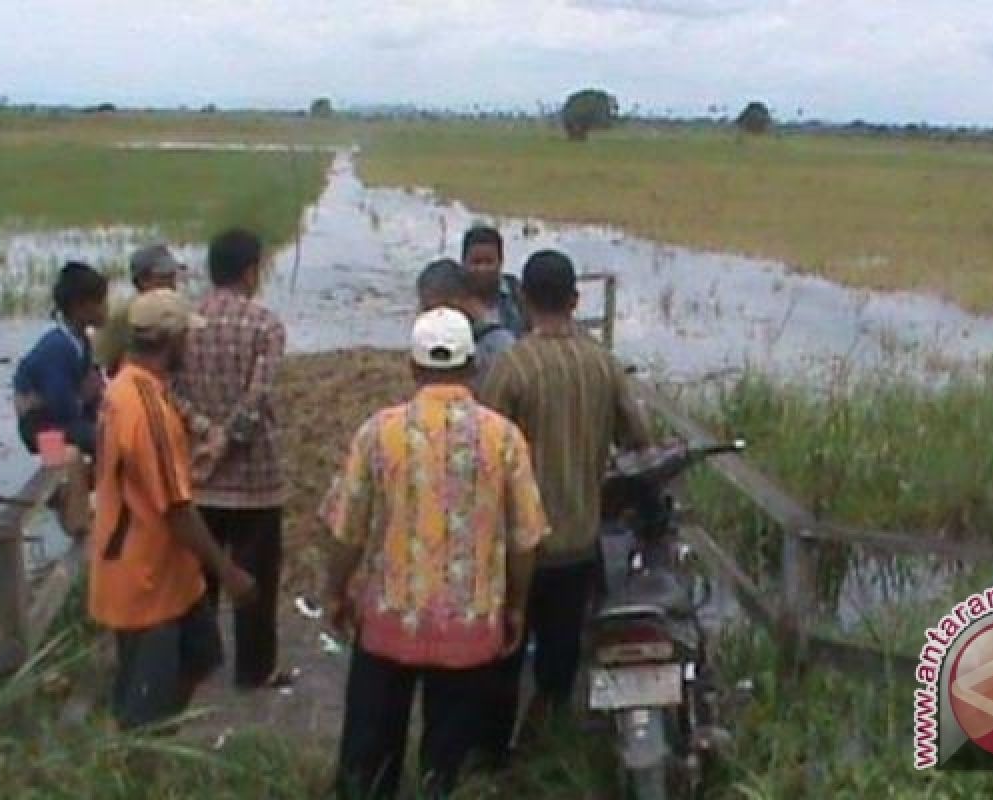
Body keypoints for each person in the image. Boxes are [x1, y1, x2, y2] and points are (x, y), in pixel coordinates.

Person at [323, 308, 549, 799]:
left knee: (368, 761)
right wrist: (514, 607)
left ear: (413, 367)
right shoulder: (504, 437)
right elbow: (526, 539)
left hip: (387, 625)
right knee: (448, 767)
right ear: (471, 367)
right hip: (470, 629)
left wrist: (335, 593)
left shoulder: (378, 432)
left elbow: (346, 530)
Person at [478, 249, 655, 760]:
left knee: (504, 656)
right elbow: (639, 441)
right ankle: (546, 747)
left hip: (518, 548)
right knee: (560, 659)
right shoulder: (603, 364)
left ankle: (492, 756)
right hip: (579, 542)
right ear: (576, 301)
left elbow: (485, 456)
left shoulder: (510, 368)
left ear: (525, 300)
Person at [88, 288, 256, 731]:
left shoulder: (127, 387)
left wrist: (185, 469)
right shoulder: (146, 407)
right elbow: (177, 510)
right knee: (145, 705)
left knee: (200, 658)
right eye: (188, 337)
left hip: (168, 574)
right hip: (146, 578)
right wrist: (228, 572)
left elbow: (150, 479)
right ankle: (139, 766)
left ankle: (160, 739)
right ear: (171, 339)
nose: (192, 347)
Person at [176, 228, 290, 690]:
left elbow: (174, 392)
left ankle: (196, 664)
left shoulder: (185, 322)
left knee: (197, 579)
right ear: (251, 271)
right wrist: (228, 437)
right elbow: (259, 396)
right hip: (254, 476)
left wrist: (206, 432)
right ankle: (254, 670)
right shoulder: (265, 325)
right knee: (257, 577)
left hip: (198, 472)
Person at [13, 261, 109, 456]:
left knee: (113, 427)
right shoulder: (57, 348)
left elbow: (94, 392)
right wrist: (84, 396)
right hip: (41, 431)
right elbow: (62, 407)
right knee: (101, 439)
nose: (106, 308)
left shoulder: (81, 341)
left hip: (62, 422)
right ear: (79, 307)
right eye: (100, 302)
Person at [94, 244, 188, 377]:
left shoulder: (177, 307)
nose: (172, 284)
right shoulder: (122, 313)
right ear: (143, 280)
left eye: (173, 277)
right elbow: (100, 364)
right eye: (165, 277)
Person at [417, 258, 516, 383]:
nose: (430, 318)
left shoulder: (497, 345)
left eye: (432, 310)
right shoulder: (434, 342)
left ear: (458, 301)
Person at [461, 225, 528, 338]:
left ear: (501, 262)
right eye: (476, 262)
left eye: (489, 262)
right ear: (463, 262)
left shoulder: (517, 293)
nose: (482, 269)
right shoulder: (454, 295)